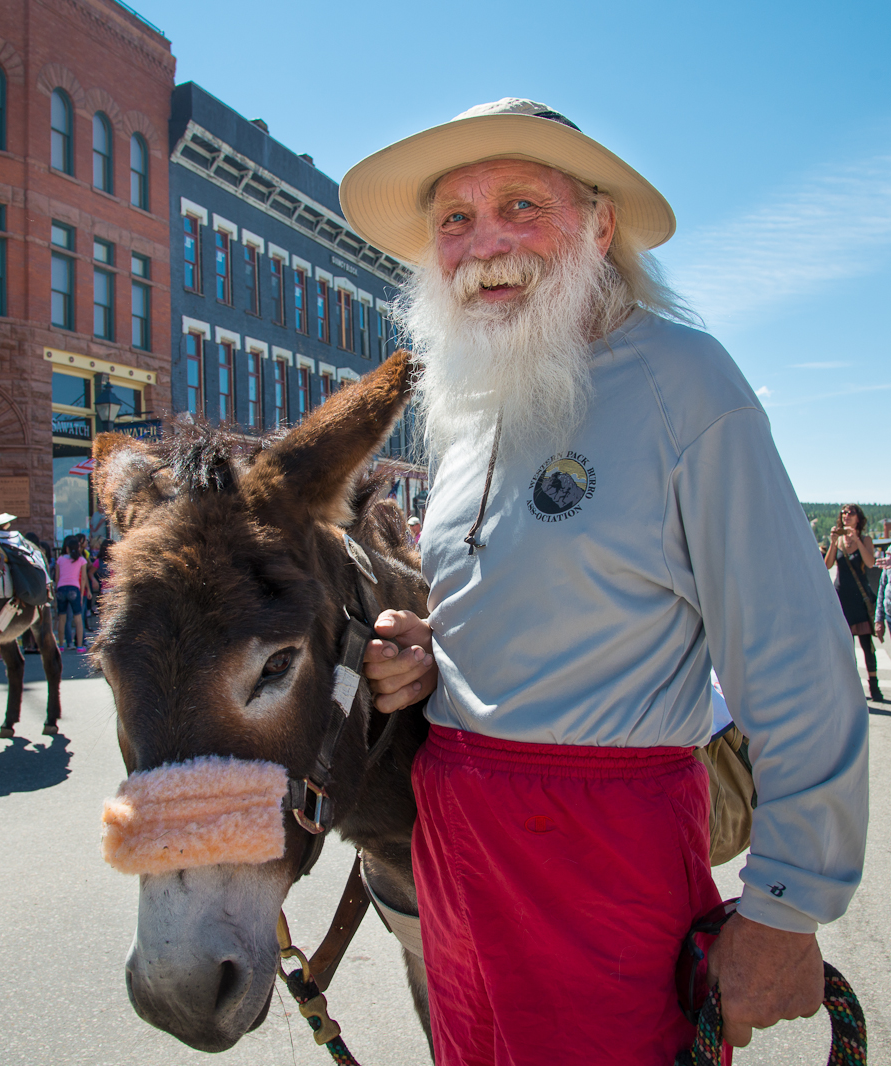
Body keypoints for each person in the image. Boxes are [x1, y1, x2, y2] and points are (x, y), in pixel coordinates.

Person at [347, 98, 868, 1064]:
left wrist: (790, 907)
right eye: (454, 219)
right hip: (456, 855)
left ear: (600, 224)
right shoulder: (466, 407)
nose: (483, 242)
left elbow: (796, 658)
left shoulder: (687, 381)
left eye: (520, 205)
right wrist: (432, 654)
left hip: (604, 856)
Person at [826, 504, 883, 701]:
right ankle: (852, 689)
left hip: (860, 599)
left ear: (859, 518)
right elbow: (827, 565)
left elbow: (869, 563)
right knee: (846, 646)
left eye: (850, 513)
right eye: (843, 513)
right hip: (841, 598)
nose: (846, 516)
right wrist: (833, 542)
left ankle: (874, 688)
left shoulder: (865, 539)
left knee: (867, 645)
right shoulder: (838, 540)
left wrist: (857, 539)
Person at [55, 535, 89, 653]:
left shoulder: (60, 559)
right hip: (74, 589)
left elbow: (57, 577)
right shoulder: (81, 560)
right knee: (78, 619)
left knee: (62, 618)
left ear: (68, 548)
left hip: (61, 589)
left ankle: (60, 645)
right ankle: (80, 646)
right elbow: (83, 578)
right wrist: (81, 593)